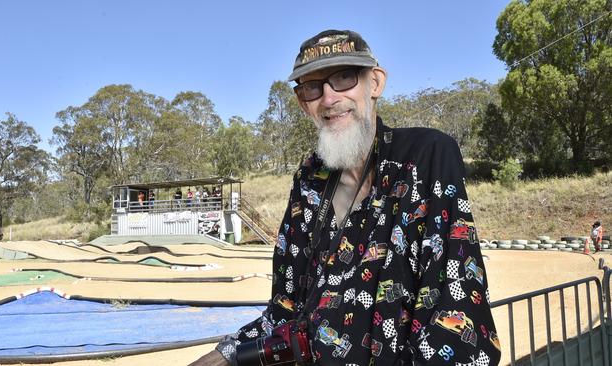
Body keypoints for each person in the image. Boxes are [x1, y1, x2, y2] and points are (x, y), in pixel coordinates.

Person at [191, 29, 500, 365]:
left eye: (344, 77)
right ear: (302, 102)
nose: (328, 98)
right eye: (313, 86)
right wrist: (226, 354)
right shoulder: (310, 180)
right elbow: (285, 309)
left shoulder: (426, 157)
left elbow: (457, 309)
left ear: (375, 83)